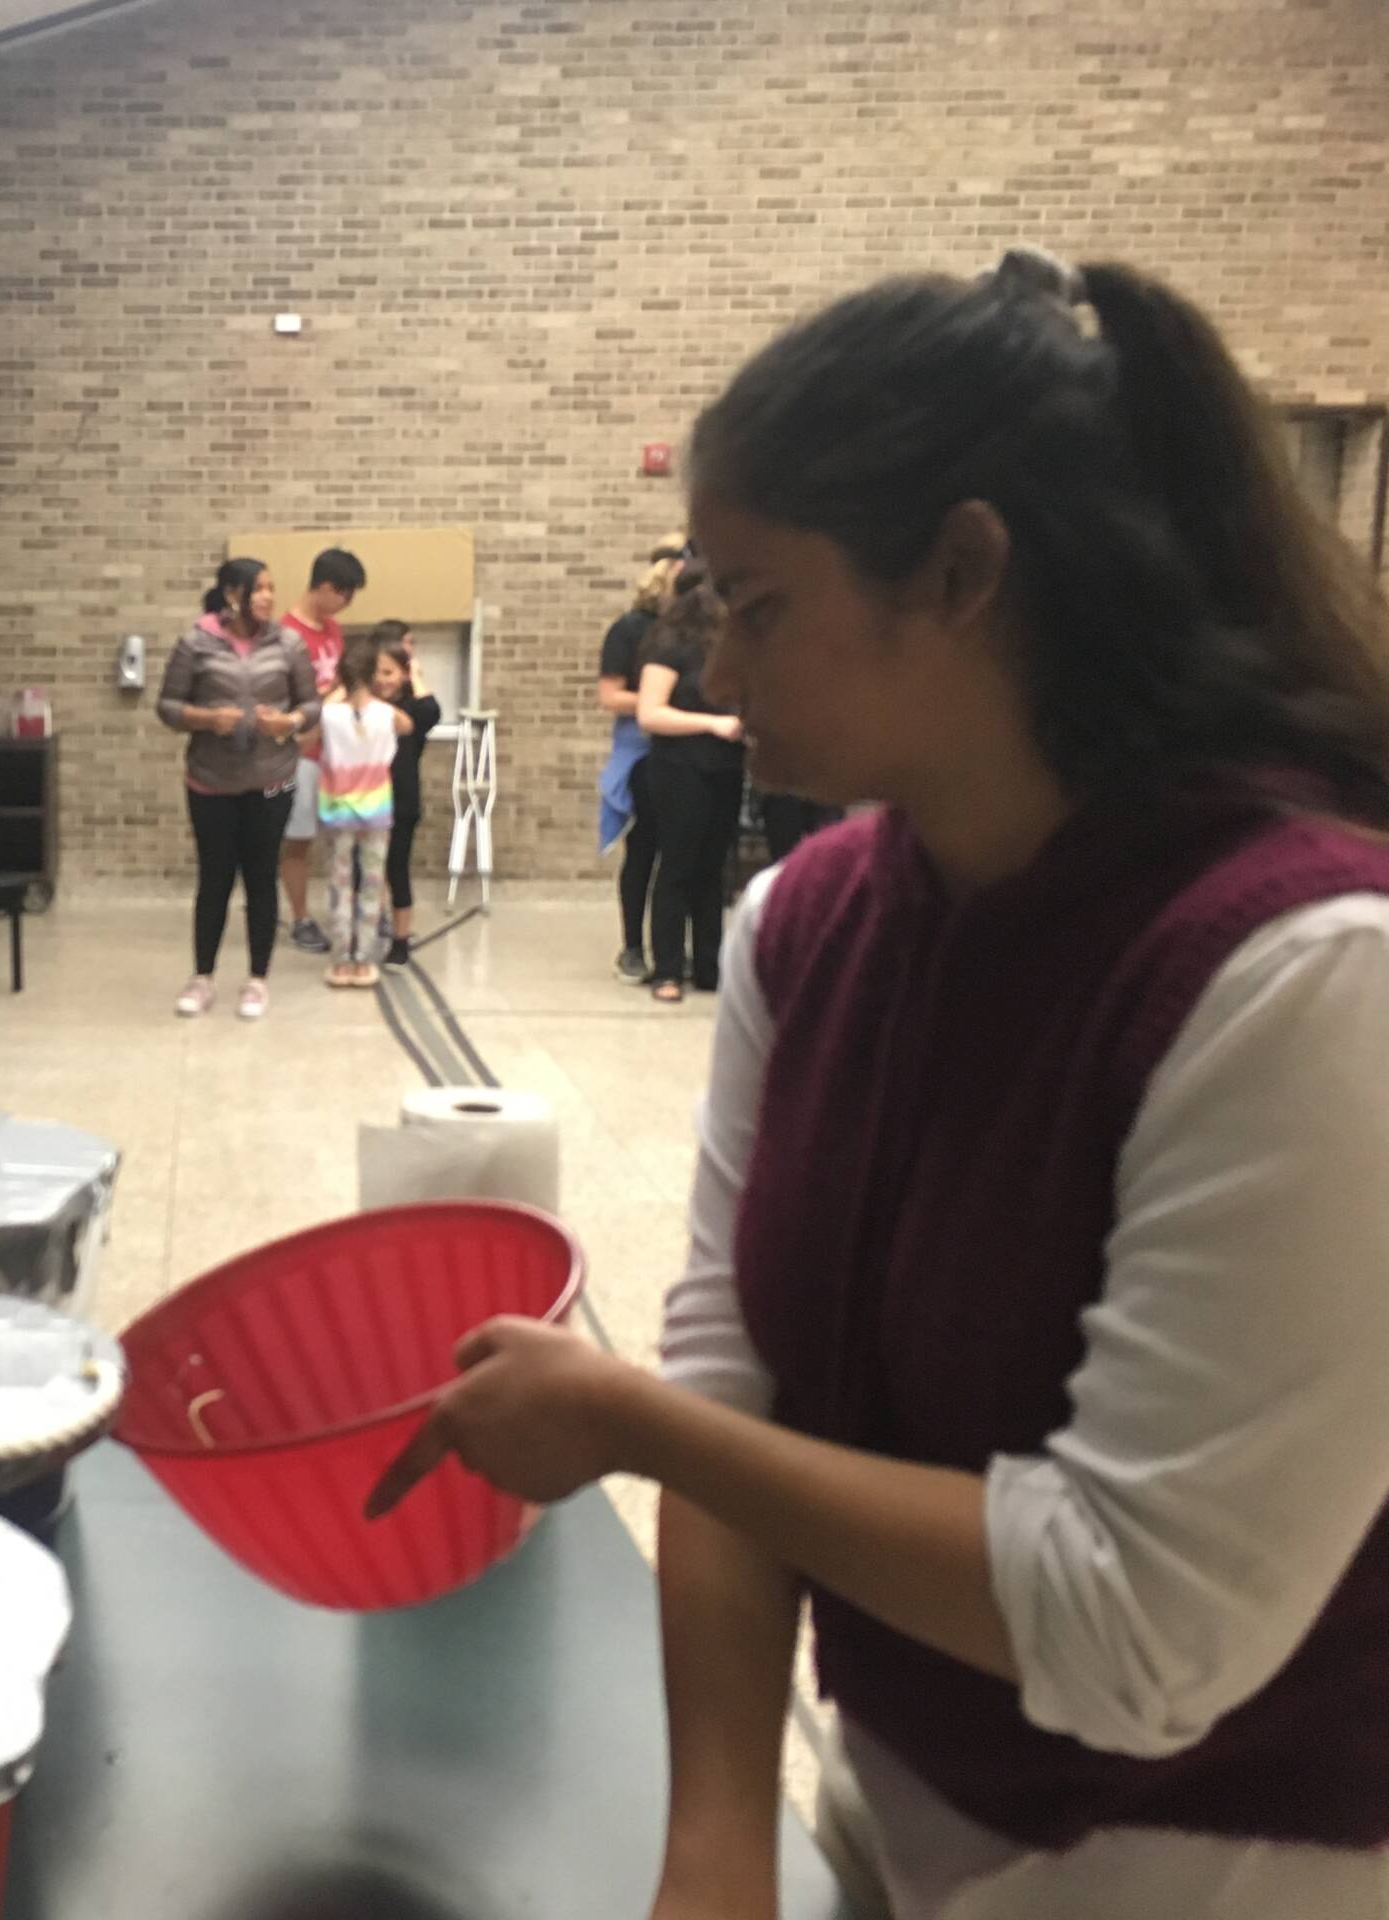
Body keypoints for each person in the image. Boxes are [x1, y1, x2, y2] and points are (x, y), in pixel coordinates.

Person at [370, 249, 1389, 1919]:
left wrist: (628, 1424)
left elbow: (1136, 1633)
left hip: (1216, 1869)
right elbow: (738, 1372)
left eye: (759, 607)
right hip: (895, 1818)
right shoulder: (813, 924)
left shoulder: (1300, 973)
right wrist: (716, 1842)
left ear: (965, 571)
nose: (721, 667)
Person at [157, 555, 319, 1020]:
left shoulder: (289, 643)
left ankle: (257, 980)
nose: (269, 596)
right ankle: (202, 977)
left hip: (272, 782)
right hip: (211, 781)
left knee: (261, 876)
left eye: (271, 587)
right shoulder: (196, 643)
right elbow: (168, 706)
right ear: (233, 594)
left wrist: (287, 722)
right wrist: (208, 719)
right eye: (260, 588)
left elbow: (311, 705)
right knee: (215, 877)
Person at [636, 573, 747, 1003]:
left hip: (724, 767)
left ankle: (708, 965)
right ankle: (666, 968)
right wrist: (711, 724)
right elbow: (650, 714)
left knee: (713, 870)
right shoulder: (669, 649)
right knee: (678, 866)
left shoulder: (727, 655)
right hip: (678, 767)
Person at [602, 536, 689, 979]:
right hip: (643, 751)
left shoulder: (698, 630)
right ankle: (633, 945)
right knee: (645, 849)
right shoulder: (630, 628)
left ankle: (676, 949)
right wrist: (660, 700)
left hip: (690, 750)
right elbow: (611, 696)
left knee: (685, 853)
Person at [278, 547, 368, 954]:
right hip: (301, 754)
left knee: (345, 837)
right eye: (345, 595)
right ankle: (299, 918)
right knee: (297, 838)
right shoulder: (286, 635)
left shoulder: (332, 629)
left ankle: (349, 911)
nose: (347, 605)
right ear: (326, 587)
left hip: (338, 752)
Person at [316, 625, 411, 989]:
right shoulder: (387, 714)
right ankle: (364, 959)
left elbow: (306, 732)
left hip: (338, 811)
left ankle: (341, 959)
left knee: (340, 884)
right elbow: (408, 724)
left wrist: (334, 695)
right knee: (372, 884)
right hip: (376, 814)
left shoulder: (330, 714)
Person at [379, 621, 442, 970]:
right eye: (379, 672)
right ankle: (367, 927)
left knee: (397, 869)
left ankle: (400, 940)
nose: (384, 679)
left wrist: (413, 672)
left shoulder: (414, 709)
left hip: (402, 801)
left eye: (392, 672)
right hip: (366, 799)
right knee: (366, 871)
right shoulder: (367, 705)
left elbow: (432, 711)